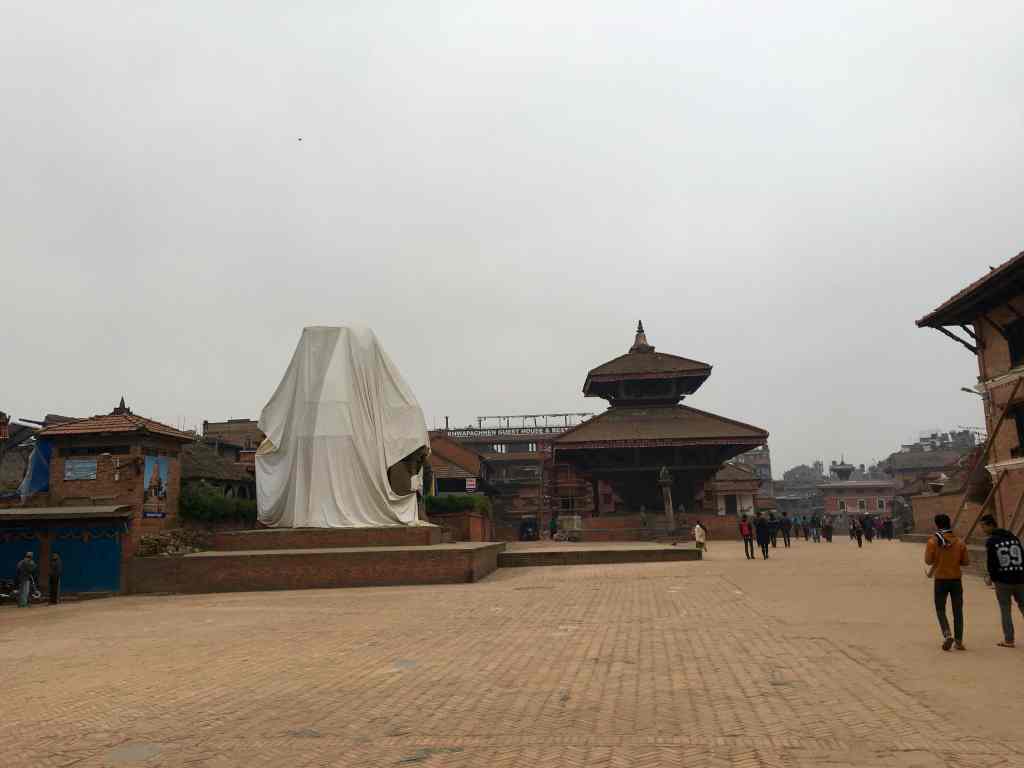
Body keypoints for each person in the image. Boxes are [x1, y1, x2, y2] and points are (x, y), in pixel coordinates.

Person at [925, 513, 970, 651]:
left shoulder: (933, 541)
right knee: (958, 610)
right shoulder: (959, 542)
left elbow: (928, 561)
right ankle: (959, 640)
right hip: (956, 579)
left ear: (937, 525)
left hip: (940, 580)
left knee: (940, 609)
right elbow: (966, 562)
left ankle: (947, 633)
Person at [980, 514, 1024, 648]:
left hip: (1003, 580)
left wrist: (991, 578)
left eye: (983, 526)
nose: (982, 529)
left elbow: (992, 563)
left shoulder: (991, 541)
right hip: (1020, 577)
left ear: (990, 525)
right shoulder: (1014, 538)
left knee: (1005, 610)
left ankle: (1009, 640)